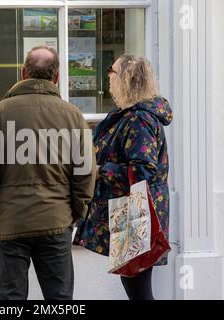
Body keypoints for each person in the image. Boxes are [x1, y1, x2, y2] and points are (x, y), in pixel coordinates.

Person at [0, 46, 96, 300]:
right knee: (60, 300)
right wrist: (77, 211)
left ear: (23, 73)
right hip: (56, 221)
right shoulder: (72, 116)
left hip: (10, 223)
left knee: (12, 301)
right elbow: (85, 173)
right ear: (57, 77)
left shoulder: (0, 113)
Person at [73, 54, 173, 300]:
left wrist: (98, 171)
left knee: (139, 291)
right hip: (130, 212)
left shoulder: (139, 119)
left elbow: (142, 171)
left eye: (112, 70)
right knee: (135, 287)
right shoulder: (128, 114)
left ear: (127, 78)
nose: (108, 75)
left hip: (136, 213)